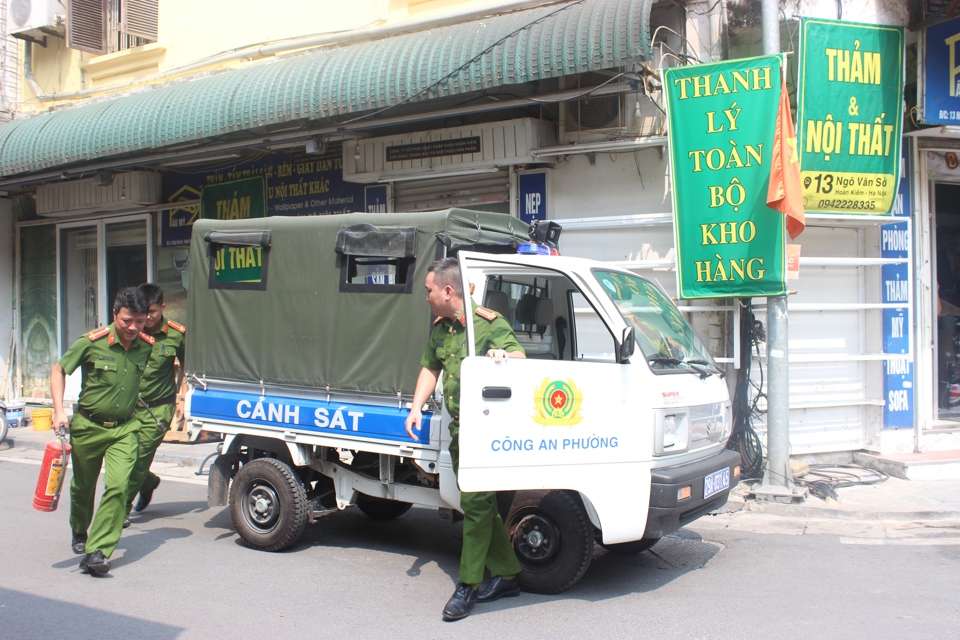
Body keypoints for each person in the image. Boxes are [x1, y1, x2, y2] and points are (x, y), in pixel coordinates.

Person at [405, 257, 525, 622]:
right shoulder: (442, 329)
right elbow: (431, 366)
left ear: (447, 290)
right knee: (480, 505)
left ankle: (468, 585)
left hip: (485, 433)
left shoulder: (488, 324)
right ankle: (508, 574)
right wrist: (415, 408)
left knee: (474, 505)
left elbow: (521, 358)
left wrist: (504, 357)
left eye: (428, 291)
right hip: (459, 429)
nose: (425, 297)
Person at [51, 287, 152, 575]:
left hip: (125, 429)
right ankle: (80, 530)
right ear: (114, 315)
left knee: (119, 487)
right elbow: (58, 371)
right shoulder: (91, 342)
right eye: (126, 321)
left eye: (140, 321)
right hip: (88, 427)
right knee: (83, 487)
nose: (133, 327)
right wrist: (58, 411)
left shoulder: (146, 346)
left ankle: (98, 551)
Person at [123, 283, 187, 526]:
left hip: (158, 409)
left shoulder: (176, 334)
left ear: (162, 307)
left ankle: (122, 510)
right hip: (129, 406)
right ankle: (148, 482)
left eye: (152, 312)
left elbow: (187, 365)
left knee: (139, 460)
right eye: (143, 312)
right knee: (125, 457)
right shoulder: (131, 329)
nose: (147, 317)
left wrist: (182, 397)